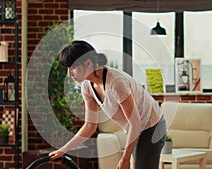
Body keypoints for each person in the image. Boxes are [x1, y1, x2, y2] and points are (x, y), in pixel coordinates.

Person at [49, 40, 166, 169]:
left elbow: (135, 123)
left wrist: (125, 159)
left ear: (88, 63)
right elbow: (90, 125)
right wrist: (64, 150)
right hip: (135, 128)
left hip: (152, 126)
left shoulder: (116, 83)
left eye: (73, 68)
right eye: (67, 68)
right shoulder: (87, 86)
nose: (69, 74)